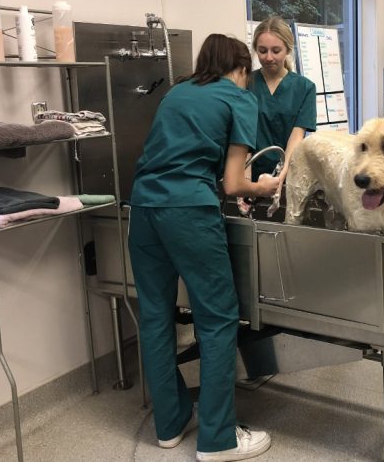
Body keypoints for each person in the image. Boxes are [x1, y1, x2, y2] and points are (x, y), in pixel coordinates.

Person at [128, 33, 279, 462]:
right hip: (189, 213)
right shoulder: (238, 97)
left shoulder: (177, 93)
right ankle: (218, 440)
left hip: (142, 207)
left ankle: (170, 425)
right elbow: (234, 184)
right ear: (240, 66)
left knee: (156, 316)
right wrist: (263, 185)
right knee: (216, 320)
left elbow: (180, 153)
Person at [248, 16, 317, 188]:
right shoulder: (245, 83)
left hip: (288, 176)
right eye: (262, 51)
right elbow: (241, 137)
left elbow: (296, 137)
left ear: (287, 49)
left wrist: (281, 176)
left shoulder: (304, 88)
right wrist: (245, 183)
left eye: (276, 51)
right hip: (249, 173)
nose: (269, 57)